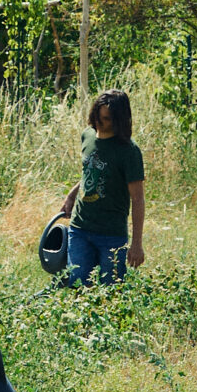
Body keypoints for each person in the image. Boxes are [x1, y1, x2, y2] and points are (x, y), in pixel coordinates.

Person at [50, 88, 146, 285]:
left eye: (107, 119)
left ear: (120, 120)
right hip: (80, 229)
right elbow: (89, 172)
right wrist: (71, 196)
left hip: (111, 235)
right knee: (78, 285)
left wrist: (136, 243)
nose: (100, 124)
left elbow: (137, 199)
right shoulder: (88, 136)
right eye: (98, 117)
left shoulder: (129, 152)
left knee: (110, 292)